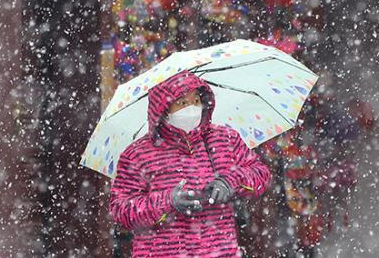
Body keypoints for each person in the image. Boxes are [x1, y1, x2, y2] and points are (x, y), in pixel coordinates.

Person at [110, 70, 270, 257]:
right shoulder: (136, 155)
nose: (192, 108)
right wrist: (168, 201)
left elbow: (260, 174)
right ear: (164, 109)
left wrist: (231, 182)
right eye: (182, 103)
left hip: (220, 252)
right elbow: (121, 210)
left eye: (196, 101)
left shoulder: (225, 139)